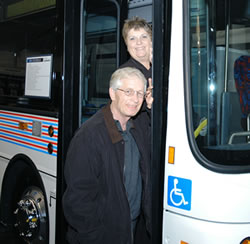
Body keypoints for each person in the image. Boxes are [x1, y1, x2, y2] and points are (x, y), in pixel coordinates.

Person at [63, 67, 152, 244]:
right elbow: (78, 202)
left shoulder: (137, 129)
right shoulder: (89, 136)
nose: (135, 99)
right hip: (104, 236)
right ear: (112, 93)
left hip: (132, 230)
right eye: (128, 92)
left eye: (140, 94)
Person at [120, 16, 152, 81]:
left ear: (151, 41)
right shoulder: (124, 73)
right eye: (132, 38)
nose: (139, 42)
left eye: (144, 36)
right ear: (126, 44)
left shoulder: (165, 67)